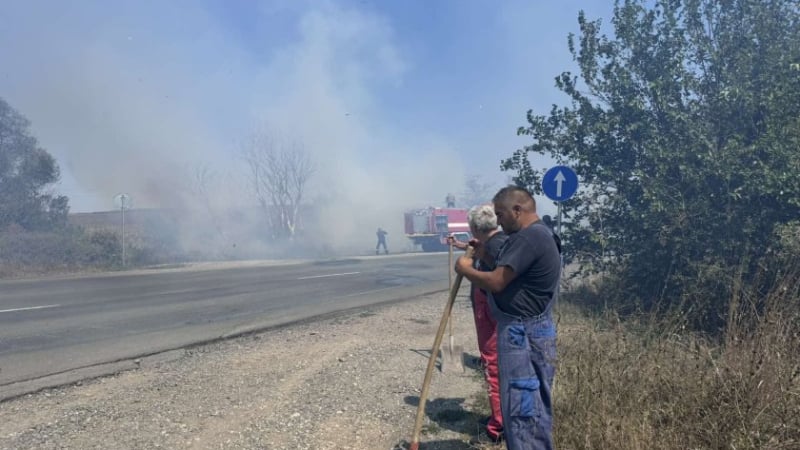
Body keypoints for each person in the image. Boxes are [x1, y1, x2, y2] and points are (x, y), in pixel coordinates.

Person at [455, 186, 561, 450]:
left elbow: (497, 281)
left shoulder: (529, 238)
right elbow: (514, 273)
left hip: (523, 334)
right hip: (532, 329)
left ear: (517, 210)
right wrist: (484, 254)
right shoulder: (539, 234)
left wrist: (465, 269)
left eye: (501, 214)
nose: (498, 221)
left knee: (523, 407)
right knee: (531, 406)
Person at [447, 205, 508, 443]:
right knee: (502, 365)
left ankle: (498, 428)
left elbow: (488, 266)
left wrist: (465, 267)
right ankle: (503, 418)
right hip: (502, 315)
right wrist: (464, 248)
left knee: (492, 365)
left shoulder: (493, 249)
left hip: (489, 312)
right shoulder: (502, 241)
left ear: (473, 228)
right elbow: (483, 251)